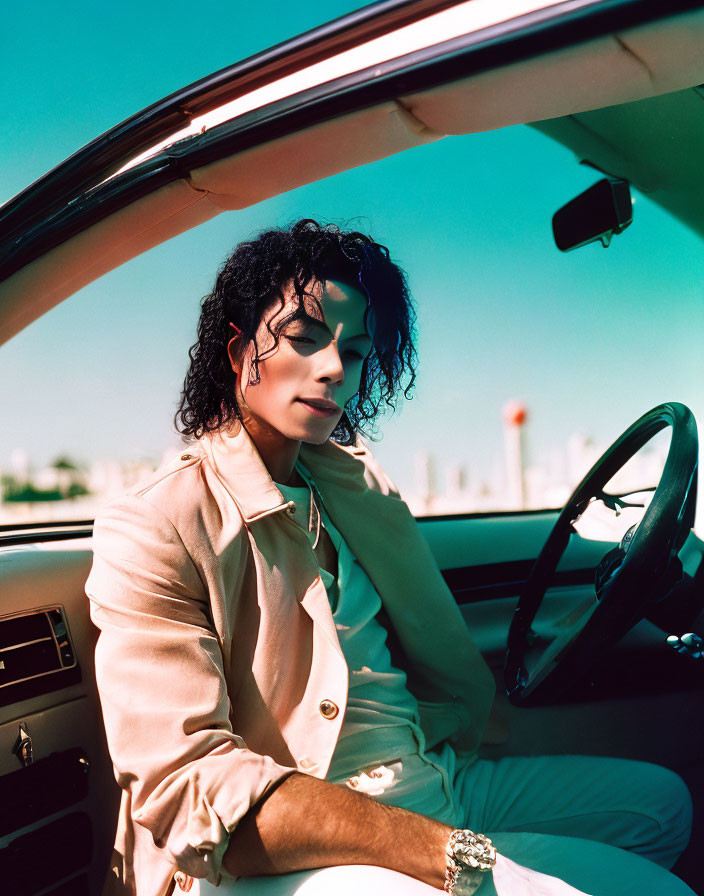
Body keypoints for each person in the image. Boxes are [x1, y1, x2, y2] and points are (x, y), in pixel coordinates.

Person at [86, 220, 694, 896]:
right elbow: (188, 782)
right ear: (236, 352)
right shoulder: (157, 521)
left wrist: (436, 802)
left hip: (429, 781)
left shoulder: (350, 487)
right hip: (297, 842)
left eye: (355, 350)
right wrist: (438, 852)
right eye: (305, 337)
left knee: (660, 806)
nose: (334, 368)